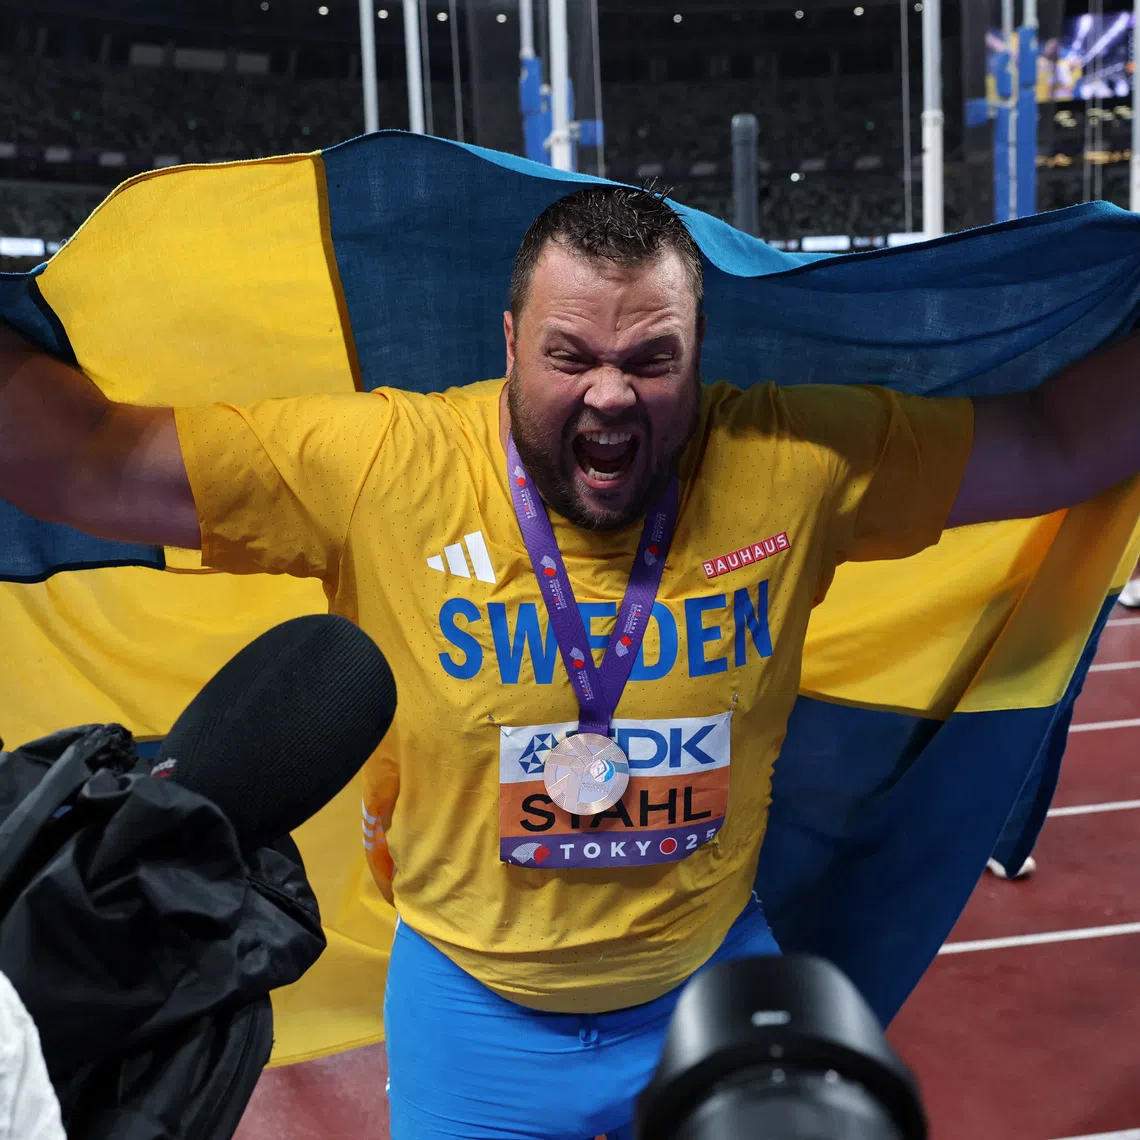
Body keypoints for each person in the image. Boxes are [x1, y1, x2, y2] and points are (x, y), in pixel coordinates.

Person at [1, 186, 1138, 1140]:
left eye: (652, 360)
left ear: (700, 355)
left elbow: (1056, 442)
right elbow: (89, 462)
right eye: (569, 356)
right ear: (509, 344)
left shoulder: (795, 458)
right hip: (473, 1019)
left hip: (708, 992)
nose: (609, 393)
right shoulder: (384, 468)